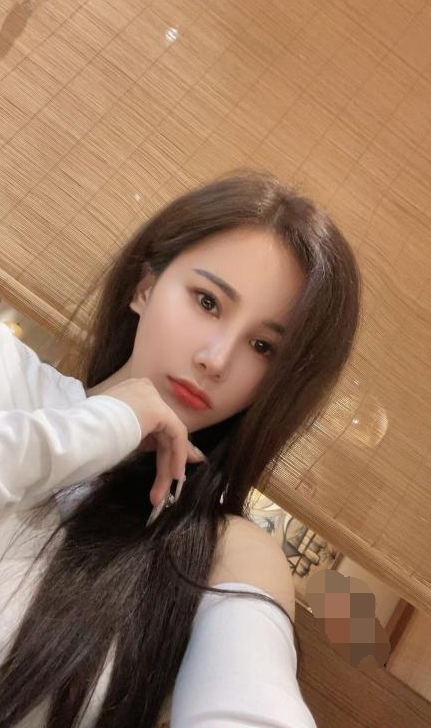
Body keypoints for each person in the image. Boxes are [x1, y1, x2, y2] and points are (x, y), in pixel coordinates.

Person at [0, 171, 361, 728]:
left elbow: (251, 699)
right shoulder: (10, 375)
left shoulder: (224, 553)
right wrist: (110, 423)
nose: (216, 359)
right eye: (208, 301)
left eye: (263, 346)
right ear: (144, 288)